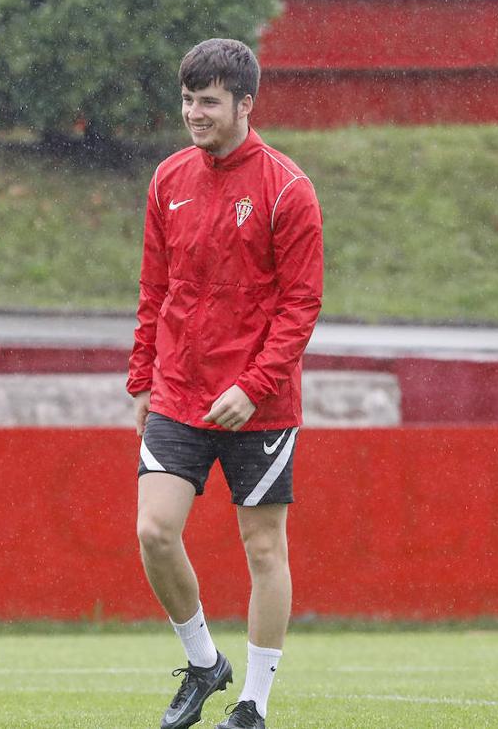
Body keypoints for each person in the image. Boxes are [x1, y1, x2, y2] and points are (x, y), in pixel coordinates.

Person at [127, 38, 324, 729]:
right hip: (179, 391)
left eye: (208, 101)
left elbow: (301, 306)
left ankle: (253, 704)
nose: (193, 113)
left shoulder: (288, 190)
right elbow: (155, 287)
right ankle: (206, 662)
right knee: (154, 531)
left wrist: (256, 384)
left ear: (245, 103)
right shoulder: (167, 180)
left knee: (264, 548)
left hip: (260, 405)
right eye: (187, 99)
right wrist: (142, 376)